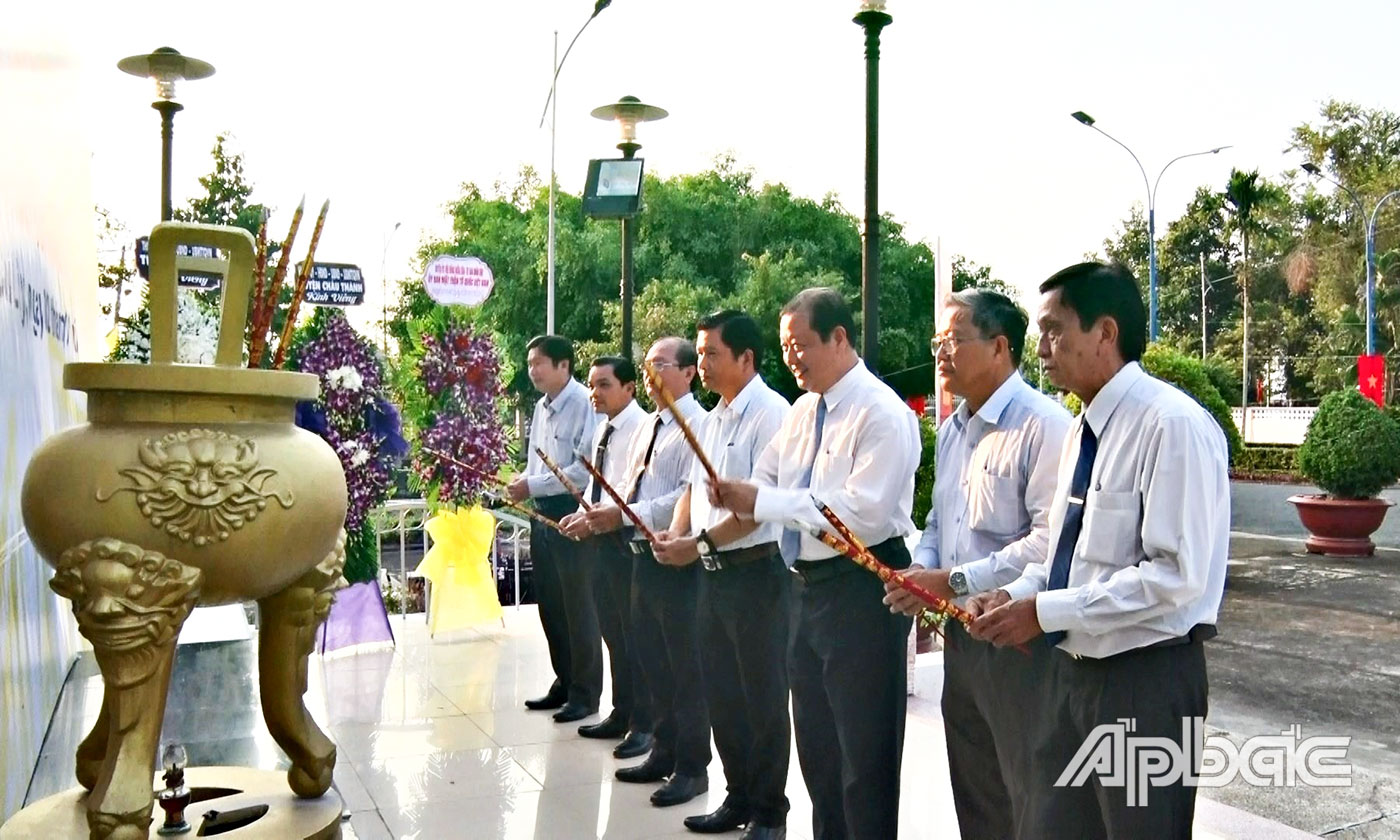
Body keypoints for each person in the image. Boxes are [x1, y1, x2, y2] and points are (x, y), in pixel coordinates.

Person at [968, 261, 1229, 840]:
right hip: (1071, 678)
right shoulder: (1083, 430)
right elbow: (1063, 558)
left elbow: (1174, 578)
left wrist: (1043, 613)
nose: (1041, 349)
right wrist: (1011, 596)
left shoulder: (1171, 425)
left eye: (1054, 330)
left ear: (1105, 333)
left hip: (1146, 683)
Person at [709, 288, 920, 840]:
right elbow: (771, 479)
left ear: (840, 338)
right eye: (785, 347)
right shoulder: (804, 411)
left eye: (801, 345)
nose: (791, 358)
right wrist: (737, 494)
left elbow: (860, 517)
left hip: (862, 588)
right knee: (820, 753)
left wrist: (760, 501)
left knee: (863, 757)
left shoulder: (882, 413)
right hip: (804, 588)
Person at [882, 289, 1070, 840]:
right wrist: (922, 575)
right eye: (938, 341)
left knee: (1027, 790)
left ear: (1000, 347)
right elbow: (940, 523)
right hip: (962, 644)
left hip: (1018, 642)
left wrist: (954, 581)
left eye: (955, 340)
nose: (941, 352)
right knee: (975, 786)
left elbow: (1049, 542)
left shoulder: (1044, 427)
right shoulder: (953, 429)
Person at [652, 310, 792, 840]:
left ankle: (769, 813)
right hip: (711, 574)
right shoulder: (711, 418)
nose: (702, 363)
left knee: (762, 699)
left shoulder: (771, 415)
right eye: (700, 352)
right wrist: (677, 532)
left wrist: (700, 543)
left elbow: (757, 508)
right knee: (722, 694)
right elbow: (692, 488)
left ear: (746, 358)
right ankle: (736, 798)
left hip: (757, 575)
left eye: (711, 353)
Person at [602, 337, 713, 809]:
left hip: (677, 557)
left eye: (660, 365)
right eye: (647, 366)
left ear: (688, 372)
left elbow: (686, 496)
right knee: (650, 659)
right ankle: (662, 751)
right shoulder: (649, 425)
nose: (650, 374)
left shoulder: (699, 424)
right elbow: (633, 485)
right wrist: (610, 512)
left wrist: (626, 514)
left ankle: (692, 767)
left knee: (684, 667)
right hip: (639, 557)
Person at [560, 356, 654, 759]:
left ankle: (644, 723)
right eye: (593, 385)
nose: (594, 394)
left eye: (604, 385)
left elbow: (630, 491)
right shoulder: (603, 427)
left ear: (629, 388)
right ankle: (622, 711)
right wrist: (583, 515)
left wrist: (602, 520)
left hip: (624, 542)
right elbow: (601, 489)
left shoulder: (640, 427)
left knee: (635, 638)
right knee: (613, 633)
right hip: (600, 538)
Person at [507, 335, 602, 722]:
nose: (533, 371)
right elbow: (535, 462)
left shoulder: (583, 403)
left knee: (578, 605)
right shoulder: (541, 407)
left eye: (540, 363)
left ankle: (586, 693)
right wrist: (523, 484)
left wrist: (533, 484)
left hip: (570, 509)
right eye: (530, 364)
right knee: (550, 604)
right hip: (541, 512)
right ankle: (563, 681)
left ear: (564, 365)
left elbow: (582, 471)